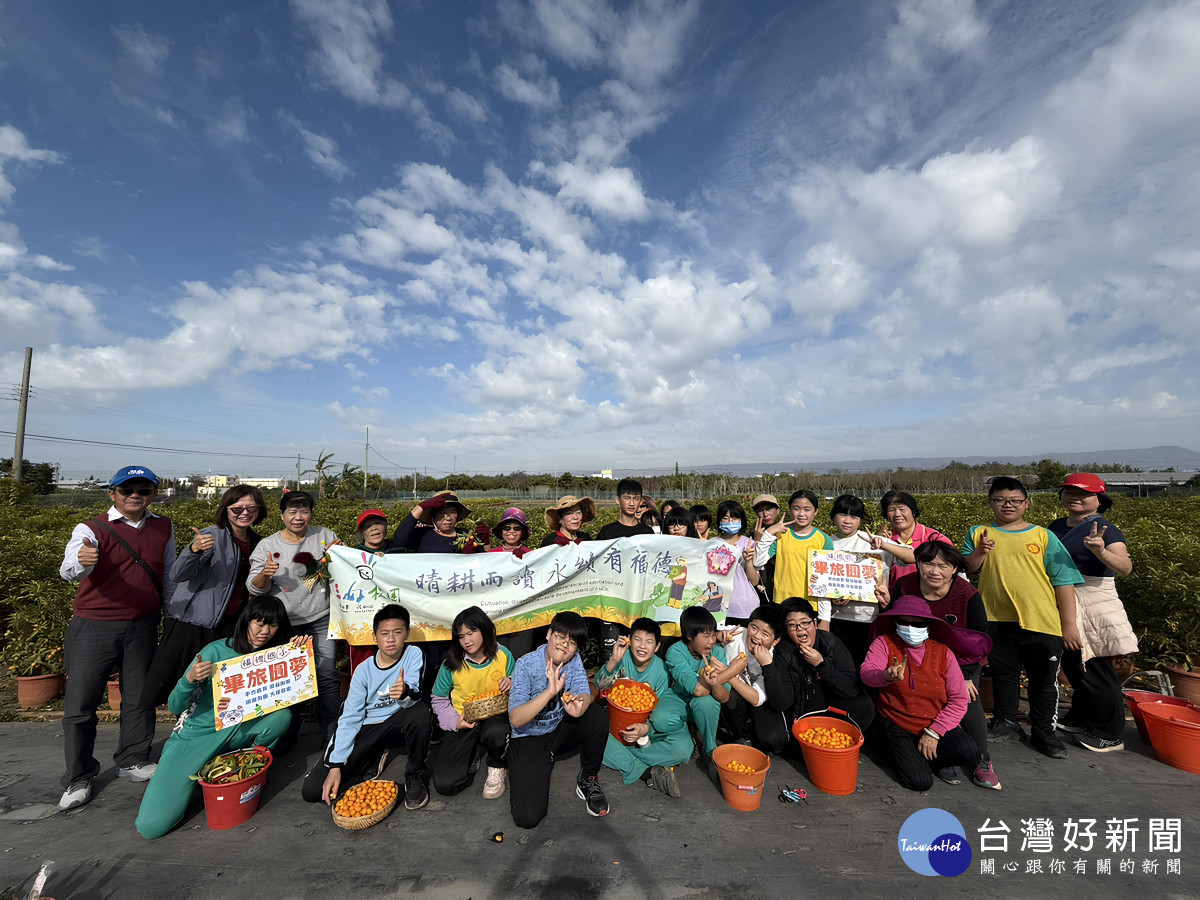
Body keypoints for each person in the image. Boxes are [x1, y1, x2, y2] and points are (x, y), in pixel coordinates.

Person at [135, 597, 304, 839]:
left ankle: (245, 767)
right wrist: (189, 679)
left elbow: (294, 686)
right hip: (196, 736)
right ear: (246, 620)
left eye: (273, 625)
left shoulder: (272, 655)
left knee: (281, 717)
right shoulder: (214, 651)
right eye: (259, 623)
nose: (264, 631)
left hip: (238, 731)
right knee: (151, 827)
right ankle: (195, 776)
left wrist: (297, 650)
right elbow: (175, 706)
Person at [57, 465, 176, 811]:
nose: (134, 496)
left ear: (152, 494)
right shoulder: (91, 529)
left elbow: (166, 576)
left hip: (143, 623)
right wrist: (81, 561)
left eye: (143, 490)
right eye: (127, 490)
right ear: (113, 494)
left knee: (139, 696)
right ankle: (78, 776)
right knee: (81, 704)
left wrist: (169, 616)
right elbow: (68, 570)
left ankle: (133, 758)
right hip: (94, 626)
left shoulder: (163, 526)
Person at [964, 476, 1083, 760]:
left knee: (1043, 679)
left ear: (1026, 504)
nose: (1008, 505)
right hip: (995, 618)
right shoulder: (979, 532)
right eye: (1000, 500)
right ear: (991, 502)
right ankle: (1007, 721)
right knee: (1004, 674)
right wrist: (981, 550)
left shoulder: (1043, 536)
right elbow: (968, 569)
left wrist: (1068, 625)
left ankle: (1044, 731)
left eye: (1015, 500)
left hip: (1040, 619)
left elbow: (1063, 580)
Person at [143, 485, 268, 709]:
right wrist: (194, 551)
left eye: (251, 508)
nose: (244, 513)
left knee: (218, 689)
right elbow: (178, 574)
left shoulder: (258, 542)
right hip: (193, 623)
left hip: (231, 624)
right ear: (226, 509)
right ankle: (176, 737)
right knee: (179, 683)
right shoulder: (212, 535)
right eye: (237, 508)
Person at [302, 604, 432, 811]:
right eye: (384, 633)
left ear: (407, 633)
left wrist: (405, 692)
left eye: (398, 632)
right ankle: (371, 757)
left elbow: (415, 695)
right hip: (366, 730)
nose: (391, 639)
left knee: (420, 713)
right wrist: (336, 765)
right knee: (312, 792)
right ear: (375, 636)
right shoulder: (363, 671)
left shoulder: (414, 654)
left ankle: (414, 774)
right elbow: (350, 717)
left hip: (396, 724)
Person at [893, 542, 997, 788]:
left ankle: (982, 758)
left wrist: (967, 675)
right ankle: (941, 756)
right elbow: (893, 622)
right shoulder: (904, 586)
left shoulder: (967, 594)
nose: (935, 571)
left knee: (967, 696)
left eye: (943, 565)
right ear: (918, 563)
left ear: (954, 569)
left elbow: (979, 639)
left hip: (960, 658)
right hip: (916, 653)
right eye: (928, 563)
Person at [860, 595, 990, 792]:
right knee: (920, 782)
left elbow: (958, 699)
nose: (911, 628)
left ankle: (929, 758)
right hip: (896, 723)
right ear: (895, 623)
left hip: (933, 721)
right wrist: (885, 675)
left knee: (969, 751)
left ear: (928, 626)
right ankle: (902, 753)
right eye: (904, 622)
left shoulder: (943, 652)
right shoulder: (884, 643)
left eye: (918, 624)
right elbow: (867, 673)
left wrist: (934, 732)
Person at [1048, 473, 1137, 753]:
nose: (1074, 497)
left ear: (1099, 499)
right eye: (1068, 492)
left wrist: (1100, 551)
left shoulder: (1105, 529)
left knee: (1095, 666)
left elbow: (1124, 567)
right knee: (1075, 662)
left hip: (1092, 598)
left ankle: (1110, 733)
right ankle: (1082, 717)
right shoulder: (1057, 526)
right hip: (1063, 594)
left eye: (1083, 494)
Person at [246, 491, 341, 741]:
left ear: (311, 513)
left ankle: (332, 729)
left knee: (327, 674)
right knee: (287, 680)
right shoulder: (268, 545)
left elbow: (343, 567)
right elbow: (254, 588)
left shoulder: (324, 535)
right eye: (292, 512)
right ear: (282, 515)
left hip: (320, 616)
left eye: (304, 511)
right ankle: (287, 732)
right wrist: (265, 574)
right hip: (284, 623)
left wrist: (344, 556)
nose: (298, 517)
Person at [507, 612, 610, 827]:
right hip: (529, 738)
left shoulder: (573, 660)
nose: (564, 645)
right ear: (548, 634)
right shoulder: (525, 665)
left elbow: (583, 691)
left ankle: (588, 778)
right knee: (527, 818)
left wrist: (578, 708)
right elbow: (516, 719)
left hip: (560, 730)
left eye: (571, 643)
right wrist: (549, 693)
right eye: (560, 637)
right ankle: (536, 762)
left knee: (596, 716)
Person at [594, 618, 691, 797]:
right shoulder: (621, 659)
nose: (642, 646)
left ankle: (622, 756)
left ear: (656, 646)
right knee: (596, 739)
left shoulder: (662, 670)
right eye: (637, 639)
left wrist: (645, 728)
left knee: (684, 747)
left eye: (649, 641)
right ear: (629, 640)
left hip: (647, 731)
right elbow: (599, 685)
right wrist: (613, 661)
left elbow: (661, 708)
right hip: (617, 729)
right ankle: (648, 772)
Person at [431, 607, 513, 799]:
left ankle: (497, 765)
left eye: (471, 632)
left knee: (497, 732)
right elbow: (438, 699)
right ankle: (474, 752)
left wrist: (512, 680)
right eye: (461, 636)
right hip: (463, 720)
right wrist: (455, 722)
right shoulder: (451, 664)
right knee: (445, 784)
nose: (466, 641)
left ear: (485, 630)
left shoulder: (503, 654)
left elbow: (518, 680)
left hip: (496, 717)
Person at [772, 598, 875, 749]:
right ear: (787, 630)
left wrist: (821, 665)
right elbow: (785, 702)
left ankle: (834, 739)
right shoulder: (783, 652)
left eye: (805, 622)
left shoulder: (830, 643)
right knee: (775, 739)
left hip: (832, 707)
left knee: (864, 706)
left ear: (814, 623)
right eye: (792, 625)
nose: (800, 629)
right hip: (803, 713)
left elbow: (850, 688)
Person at [665, 606, 746, 762]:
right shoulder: (675, 652)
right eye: (706, 636)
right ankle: (690, 731)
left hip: (703, 701)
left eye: (714, 635)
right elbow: (697, 689)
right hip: (679, 698)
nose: (711, 641)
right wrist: (731, 671)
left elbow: (724, 697)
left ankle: (709, 748)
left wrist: (716, 683)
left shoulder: (718, 653)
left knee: (705, 703)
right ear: (689, 635)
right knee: (662, 720)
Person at [823, 494, 896, 666]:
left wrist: (884, 542)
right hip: (836, 617)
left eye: (854, 516)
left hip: (867, 617)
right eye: (843, 514)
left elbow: (907, 557)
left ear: (860, 520)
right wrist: (831, 597)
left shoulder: (872, 542)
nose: (848, 521)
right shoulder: (825, 543)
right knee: (840, 665)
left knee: (866, 665)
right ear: (833, 516)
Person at [720, 604, 791, 749]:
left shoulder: (773, 659)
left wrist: (729, 673)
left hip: (755, 701)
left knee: (774, 740)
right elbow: (708, 634)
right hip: (730, 695)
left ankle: (747, 732)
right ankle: (736, 733)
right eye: (754, 628)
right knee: (730, 694)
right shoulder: (737, 633)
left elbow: (756, 699)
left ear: (776, 640)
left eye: (765, 634)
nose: (756, 636)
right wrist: (717, 636)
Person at [754, 490, 833, 619]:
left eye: (807, 509)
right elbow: (758, 562)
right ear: (790, 510)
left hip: (810, 606)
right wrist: (769, 533)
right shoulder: (781, 535)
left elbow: (826, 580)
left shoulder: (823, 540)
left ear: (816, 512)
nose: (801, 514)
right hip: (781, 603)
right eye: (796, 508)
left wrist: (825, 618)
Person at [871, 491, 952, 589]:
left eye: (902, 509)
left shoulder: (934, 538)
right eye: (891, 510)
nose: (897, 514)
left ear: (913, 512)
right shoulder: (883, 540)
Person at [390, 491, 488, 554]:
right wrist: (420, 508)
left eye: (453, 512)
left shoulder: (466, 535)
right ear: (433, 516)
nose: (448, 518)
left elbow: (486, 559)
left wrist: (485, 541)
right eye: (442, 513)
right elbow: (399, 540)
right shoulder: (423, 535)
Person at [713, 500, 762, 627]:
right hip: (718, 607)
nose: (730, 521)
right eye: (725, 518)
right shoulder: (712, 544)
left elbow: (755, 581)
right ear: (719, 521)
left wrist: (748, 561)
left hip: (745, 607)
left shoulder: (749, 544)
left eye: (734, 518)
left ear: (741, 520)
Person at [750, 494, 782, 601]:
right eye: (760, 510)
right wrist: (756, 541)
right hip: (759, 591)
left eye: (768, 509)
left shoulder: (786, 534)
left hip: (781, 589)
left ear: (778, 511)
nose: (765, 514)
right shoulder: (749, 536)